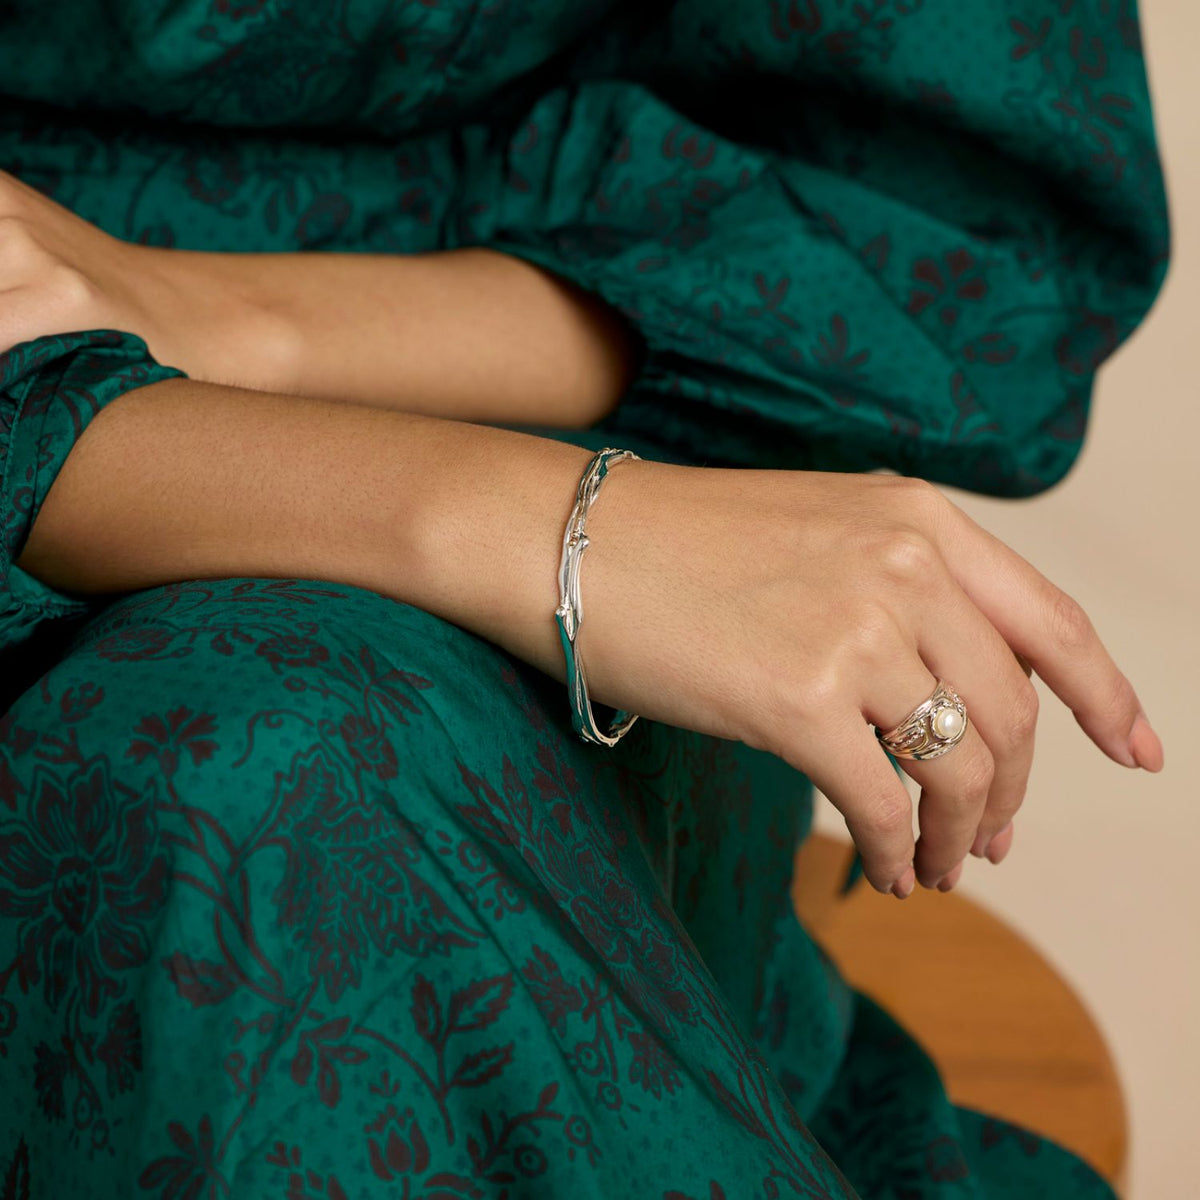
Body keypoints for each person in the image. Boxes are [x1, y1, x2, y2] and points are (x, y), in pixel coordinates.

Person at [0, 1, 1168, 1196]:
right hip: (77, 422)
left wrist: (237, 322)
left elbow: (938, 225)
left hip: (574, 420)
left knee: (271, 784)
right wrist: (532, 526)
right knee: (248, 773)